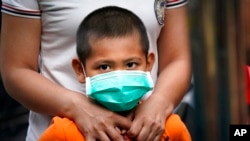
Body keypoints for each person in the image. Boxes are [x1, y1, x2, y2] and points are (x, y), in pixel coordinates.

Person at [0, 0, 191, 141]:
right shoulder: (61, 131)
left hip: (150, 132)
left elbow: (177, 59)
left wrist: (159, 104)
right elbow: (16, 70)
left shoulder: (172, 128)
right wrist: (78, 108)